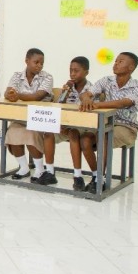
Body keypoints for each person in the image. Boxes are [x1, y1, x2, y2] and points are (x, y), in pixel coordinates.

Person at [79, 51, 138, 192]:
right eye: (115, 61)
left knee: (104, 136)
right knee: (85, 139)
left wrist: (96, 105)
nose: (115, 64)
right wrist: (86, 99)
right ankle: (97, 176)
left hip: (126, 126)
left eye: (120, 61)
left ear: (131, 67)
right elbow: (87, 93)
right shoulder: (106, 80)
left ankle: (100, 179)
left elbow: (122, 103)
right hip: (105, 123)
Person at [3, 48, 56, 184]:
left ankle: (40, 169)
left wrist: (18, 95)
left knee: (30, 133)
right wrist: (9, 94)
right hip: (21, 117)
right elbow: (8, 92)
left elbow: (37, 96)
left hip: (40, 118)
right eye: (36, 62)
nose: (39, 66)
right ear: (27, 61)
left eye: (42, 63)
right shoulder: (17, 76)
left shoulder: (47, 77)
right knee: (13, 131)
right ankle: (24, 168)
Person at [57, 56, 94, 190]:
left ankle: (80, 175)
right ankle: (48, 171)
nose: (72, 74)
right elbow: (59, 107)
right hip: (69, 125)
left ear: (86, 72)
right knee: (68, 132)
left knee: (74, 133)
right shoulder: (68, 88)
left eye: (76, 71)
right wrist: (64, 95)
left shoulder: (92, 89)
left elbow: (90, 112)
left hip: (85, 126)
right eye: (70, 70)